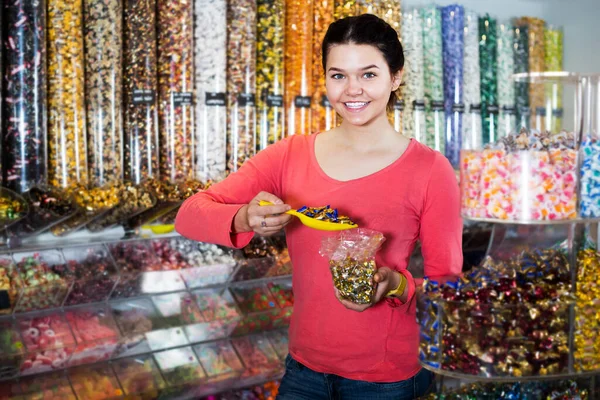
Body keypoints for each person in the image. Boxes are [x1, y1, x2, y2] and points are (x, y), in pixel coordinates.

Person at [176, 14, 462, 400]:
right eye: (338, 75)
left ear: (395, 78)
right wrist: (244, 216)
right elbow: (189, 214)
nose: (352, 90)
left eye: (369, 74)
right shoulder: (289, 155)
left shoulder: (430, 169)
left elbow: (450, 289)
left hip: (387, 378)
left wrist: (396, 284)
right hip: (304, 370)